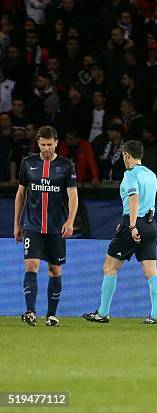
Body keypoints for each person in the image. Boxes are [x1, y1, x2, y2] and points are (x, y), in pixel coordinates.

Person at [83, 140, 157, 324]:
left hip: (133, 224)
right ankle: (156, 314)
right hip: (151, 225)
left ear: (126, 155)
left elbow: (134, 198)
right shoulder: (151, 175)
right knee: (151, 270)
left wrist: (132, 226)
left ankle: (102, 313)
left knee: (109, 267)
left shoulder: (130, 175)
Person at [13, 126, 78, 327]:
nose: (47, 148)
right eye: (43, 144)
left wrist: (70, 221)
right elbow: (21, 194)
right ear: (38, 143)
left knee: (54, 269)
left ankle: (51, 315)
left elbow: (73, 195)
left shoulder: (66, 165)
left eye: (50, 144)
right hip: (32, 225)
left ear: (57, 143)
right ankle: (30, 312)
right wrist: (16, 223)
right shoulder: (28, 163)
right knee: (31, 265)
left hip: (56, 227)